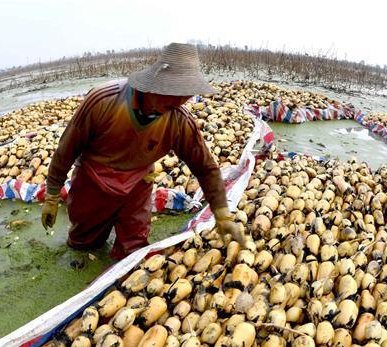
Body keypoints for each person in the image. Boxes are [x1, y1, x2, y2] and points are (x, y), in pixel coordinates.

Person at [41, 43, 243, 260]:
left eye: (187, 94)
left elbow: (206, 168)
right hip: (93, 182)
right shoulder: (104, 100)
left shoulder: (179, 120)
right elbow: (66, 149)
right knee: (83, 244)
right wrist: (52, 195)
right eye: (175, 92)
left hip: (137, 186)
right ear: (155, 86)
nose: (183, 101)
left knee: (133, 250)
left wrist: (221, 212)